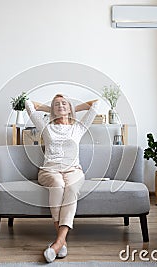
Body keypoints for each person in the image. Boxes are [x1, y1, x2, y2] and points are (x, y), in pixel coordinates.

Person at [25, 94, 99, 263]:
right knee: (58, 185)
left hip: (73, 170)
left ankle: (58, 243)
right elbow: (28, 104)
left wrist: (71, 108)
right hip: (49, 171)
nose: (60, 106)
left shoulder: (78, 128)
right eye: (56, 104)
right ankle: (61, 241)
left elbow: (96, 104)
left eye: (64, 103)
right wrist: (51, 109)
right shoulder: (46, 126)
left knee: (72, 188)